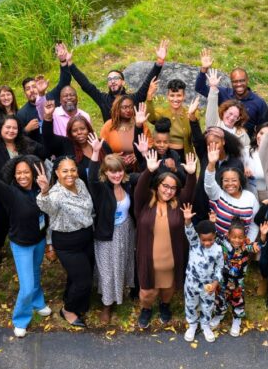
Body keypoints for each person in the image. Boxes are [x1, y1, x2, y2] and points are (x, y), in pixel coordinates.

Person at [0, 154, 51, 338]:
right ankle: (21, 319)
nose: (22, 176)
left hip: (39, 240)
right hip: (21, 245)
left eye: (26, 172)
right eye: (18, 173)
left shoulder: (40, 188)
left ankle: (38, 302)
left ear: (33, 173)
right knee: (27, 285)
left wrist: (46, 190)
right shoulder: (10, 192)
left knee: (36, 273)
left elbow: (49, 209)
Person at [134, 150, 198, 328]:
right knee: (147, 292)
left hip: (170, 259)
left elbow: (190, 190)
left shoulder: (179, 205)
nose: (168, 191)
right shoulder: (144, 204)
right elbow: (140, 188)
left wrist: (191, 175)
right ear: (157, 185)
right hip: (148, 259)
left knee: (168, 287)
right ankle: (146, 309)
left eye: (173, 188)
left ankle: (164, 306)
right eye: (165, 186)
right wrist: (149, 170)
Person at [0, 100, 45, 263]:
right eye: (8, 127)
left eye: (14, 128)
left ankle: (24, 243)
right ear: (0, 129)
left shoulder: (24, 144)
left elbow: (42, 151)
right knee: (1, 222)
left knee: (22, 218)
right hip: (1, 193)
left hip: (22, 191)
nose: (11, 131)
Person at [36, 157, 95, 328]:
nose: (70, 174)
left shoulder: (81, 184)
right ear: (57, 173)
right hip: (67, 242)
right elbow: (47, 206)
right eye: (65, 170)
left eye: (73, 170)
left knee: (79, 276)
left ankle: (77, 303)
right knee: (83, 280)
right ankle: (68, 310)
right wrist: (45, 191)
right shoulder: (55, 194)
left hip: (86, 237)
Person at [87, 136, 139, 323]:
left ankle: (122, 291)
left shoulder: (127, 183)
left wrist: (142, 154)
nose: (116, 175)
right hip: (107, 234)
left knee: (123, 263)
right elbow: (91, 178)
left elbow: (148, 175)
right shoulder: (100, 188)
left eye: (119, 171)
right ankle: (107, 305)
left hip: (126, 230)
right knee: (107, 270)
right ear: (105, 173)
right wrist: (94, 152)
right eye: (112, 172)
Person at [67, 40, 168, 121]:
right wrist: (70, 64)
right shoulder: (103, 99)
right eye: (110, 79)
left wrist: (159, 62)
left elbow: (147, 83)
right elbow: (86, 85)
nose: (112, 81)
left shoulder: (134, 99)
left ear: (123, 82)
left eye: (116, 78)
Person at [208, 213, 268, 337]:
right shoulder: (223, 242)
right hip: (222, 279)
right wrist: (212, 223)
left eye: (240, 237)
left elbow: (258, 246)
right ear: (229, 235)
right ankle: (219, 314)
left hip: (237, 281)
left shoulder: (245, 246)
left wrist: (262, 236)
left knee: (237, 300)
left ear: (244, 237)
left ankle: (237, 319)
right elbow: (214, 236)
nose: (237, 240)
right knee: (220, 298)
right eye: (234, 237)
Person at [189, 100, 245, 221]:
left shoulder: (235, 163)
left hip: (222, 213)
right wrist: (192, 117)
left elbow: (238, 189)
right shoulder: (205, 155)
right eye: (210, 144)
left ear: (223, 142)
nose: (213, 147)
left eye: (216, 143)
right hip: (200, 208)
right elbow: (197, 139)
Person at [194, 48, 268, 135]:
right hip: (223, 140)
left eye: (242, 81)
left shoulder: (259, 103)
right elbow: (200, 88)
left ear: (247, 80)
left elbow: (264, 127)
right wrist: (204, 69)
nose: (239, 84)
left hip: (244, 143)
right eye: (235, 82)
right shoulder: (223, 93)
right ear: (231, 82)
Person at [181, 206, 223, 343]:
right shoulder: (194, 243)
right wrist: (187, 220)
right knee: (191, 304)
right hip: (191, 283)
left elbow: (219, 268)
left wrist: (215, 284)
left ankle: (205, 325)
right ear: (198, 237)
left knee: (207, 305)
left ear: (214, 236)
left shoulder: (217, 250)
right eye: (203, 240)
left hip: (208, 285)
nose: (207, 243)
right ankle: (192, 325)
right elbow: (189, 231)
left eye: (210, 240)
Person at [204, 143, 260, 240]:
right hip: (218, 247)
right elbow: (209, 184)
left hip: (240, 249)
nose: (230, 183)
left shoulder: (251, 198)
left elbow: (254, 225)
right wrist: (212, 163)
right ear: (221, 182)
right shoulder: (217, 194)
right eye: (226, 180)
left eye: (234, 180)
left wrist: (247, 246)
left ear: (240, 181)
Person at [40, 103, 110, 180]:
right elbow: (48, 137)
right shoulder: (67, 144)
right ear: (70, 133)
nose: (79, 132)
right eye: (74, 131)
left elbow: (113, 164)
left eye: (82, 129)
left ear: (88, 129)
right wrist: (48, 117)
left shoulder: (100, 144)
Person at [99, 97, 152, 172]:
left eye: (131, 107)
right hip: (116, 170)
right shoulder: (108, 126)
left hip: (138, 169)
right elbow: (101, 148)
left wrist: (137, 154)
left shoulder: (140, 124)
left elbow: (150, 145)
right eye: (125, 107)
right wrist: (113, 157)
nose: (128, 110)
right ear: (117, 108)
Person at [205, 69, 251, 151]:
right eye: (230, 113)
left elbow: (247, 154)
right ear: (224, 112)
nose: (231, 118)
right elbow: (211, 106)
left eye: (236, 116)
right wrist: (213, 87)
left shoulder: (242, 134)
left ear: (238, 119)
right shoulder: (215, 124)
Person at [146, 78, 193, 158]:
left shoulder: (190, 113)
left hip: (185, 155)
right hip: (165, 154)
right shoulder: (162, 113)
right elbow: (151, 118)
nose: (175, 99)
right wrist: (149, 96)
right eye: (172, 95)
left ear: (184, 96)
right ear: (167, 96)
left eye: (179, 95)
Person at [243, 123, 268, 202]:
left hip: (267, 197)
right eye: (261, 133)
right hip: (246, 195)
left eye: (267, 135)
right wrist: (243, 168)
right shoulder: (246, 151)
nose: (262, 137)